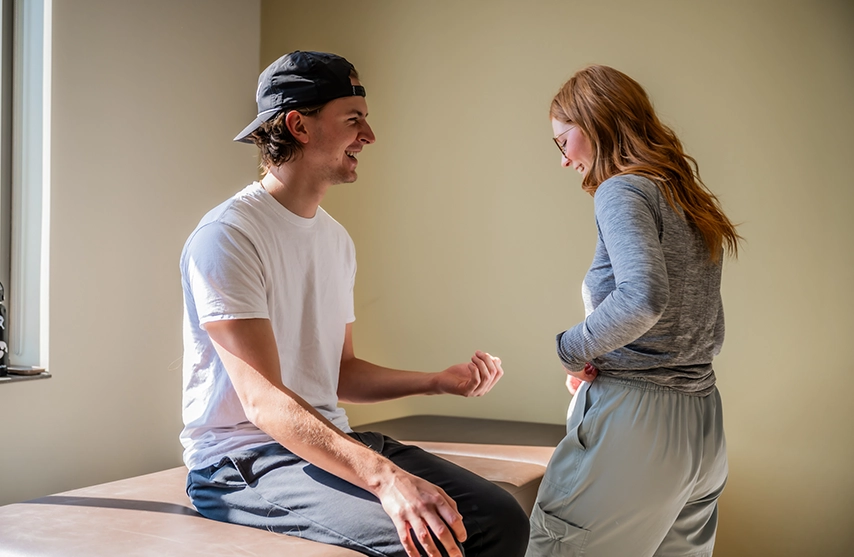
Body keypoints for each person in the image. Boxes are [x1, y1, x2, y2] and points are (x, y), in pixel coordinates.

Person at [179, 50, 529, 557]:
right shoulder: (228, 236)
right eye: (353, 120)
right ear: (299, 125)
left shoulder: (335, 240)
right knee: (429, 538)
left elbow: (338, 372)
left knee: (500, 520)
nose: (369, 136)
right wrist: (387, 481)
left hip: (322, 443)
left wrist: (436, 382)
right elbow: (263, 402)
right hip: (242, 464)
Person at [526, 65, 740, 557]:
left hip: (636, 426)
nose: (563, 160)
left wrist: (569, 349)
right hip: (702, 425)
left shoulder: (622, 190)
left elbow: (642, 299)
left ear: (596, 121)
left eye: (563, 141)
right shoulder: (686, 197)